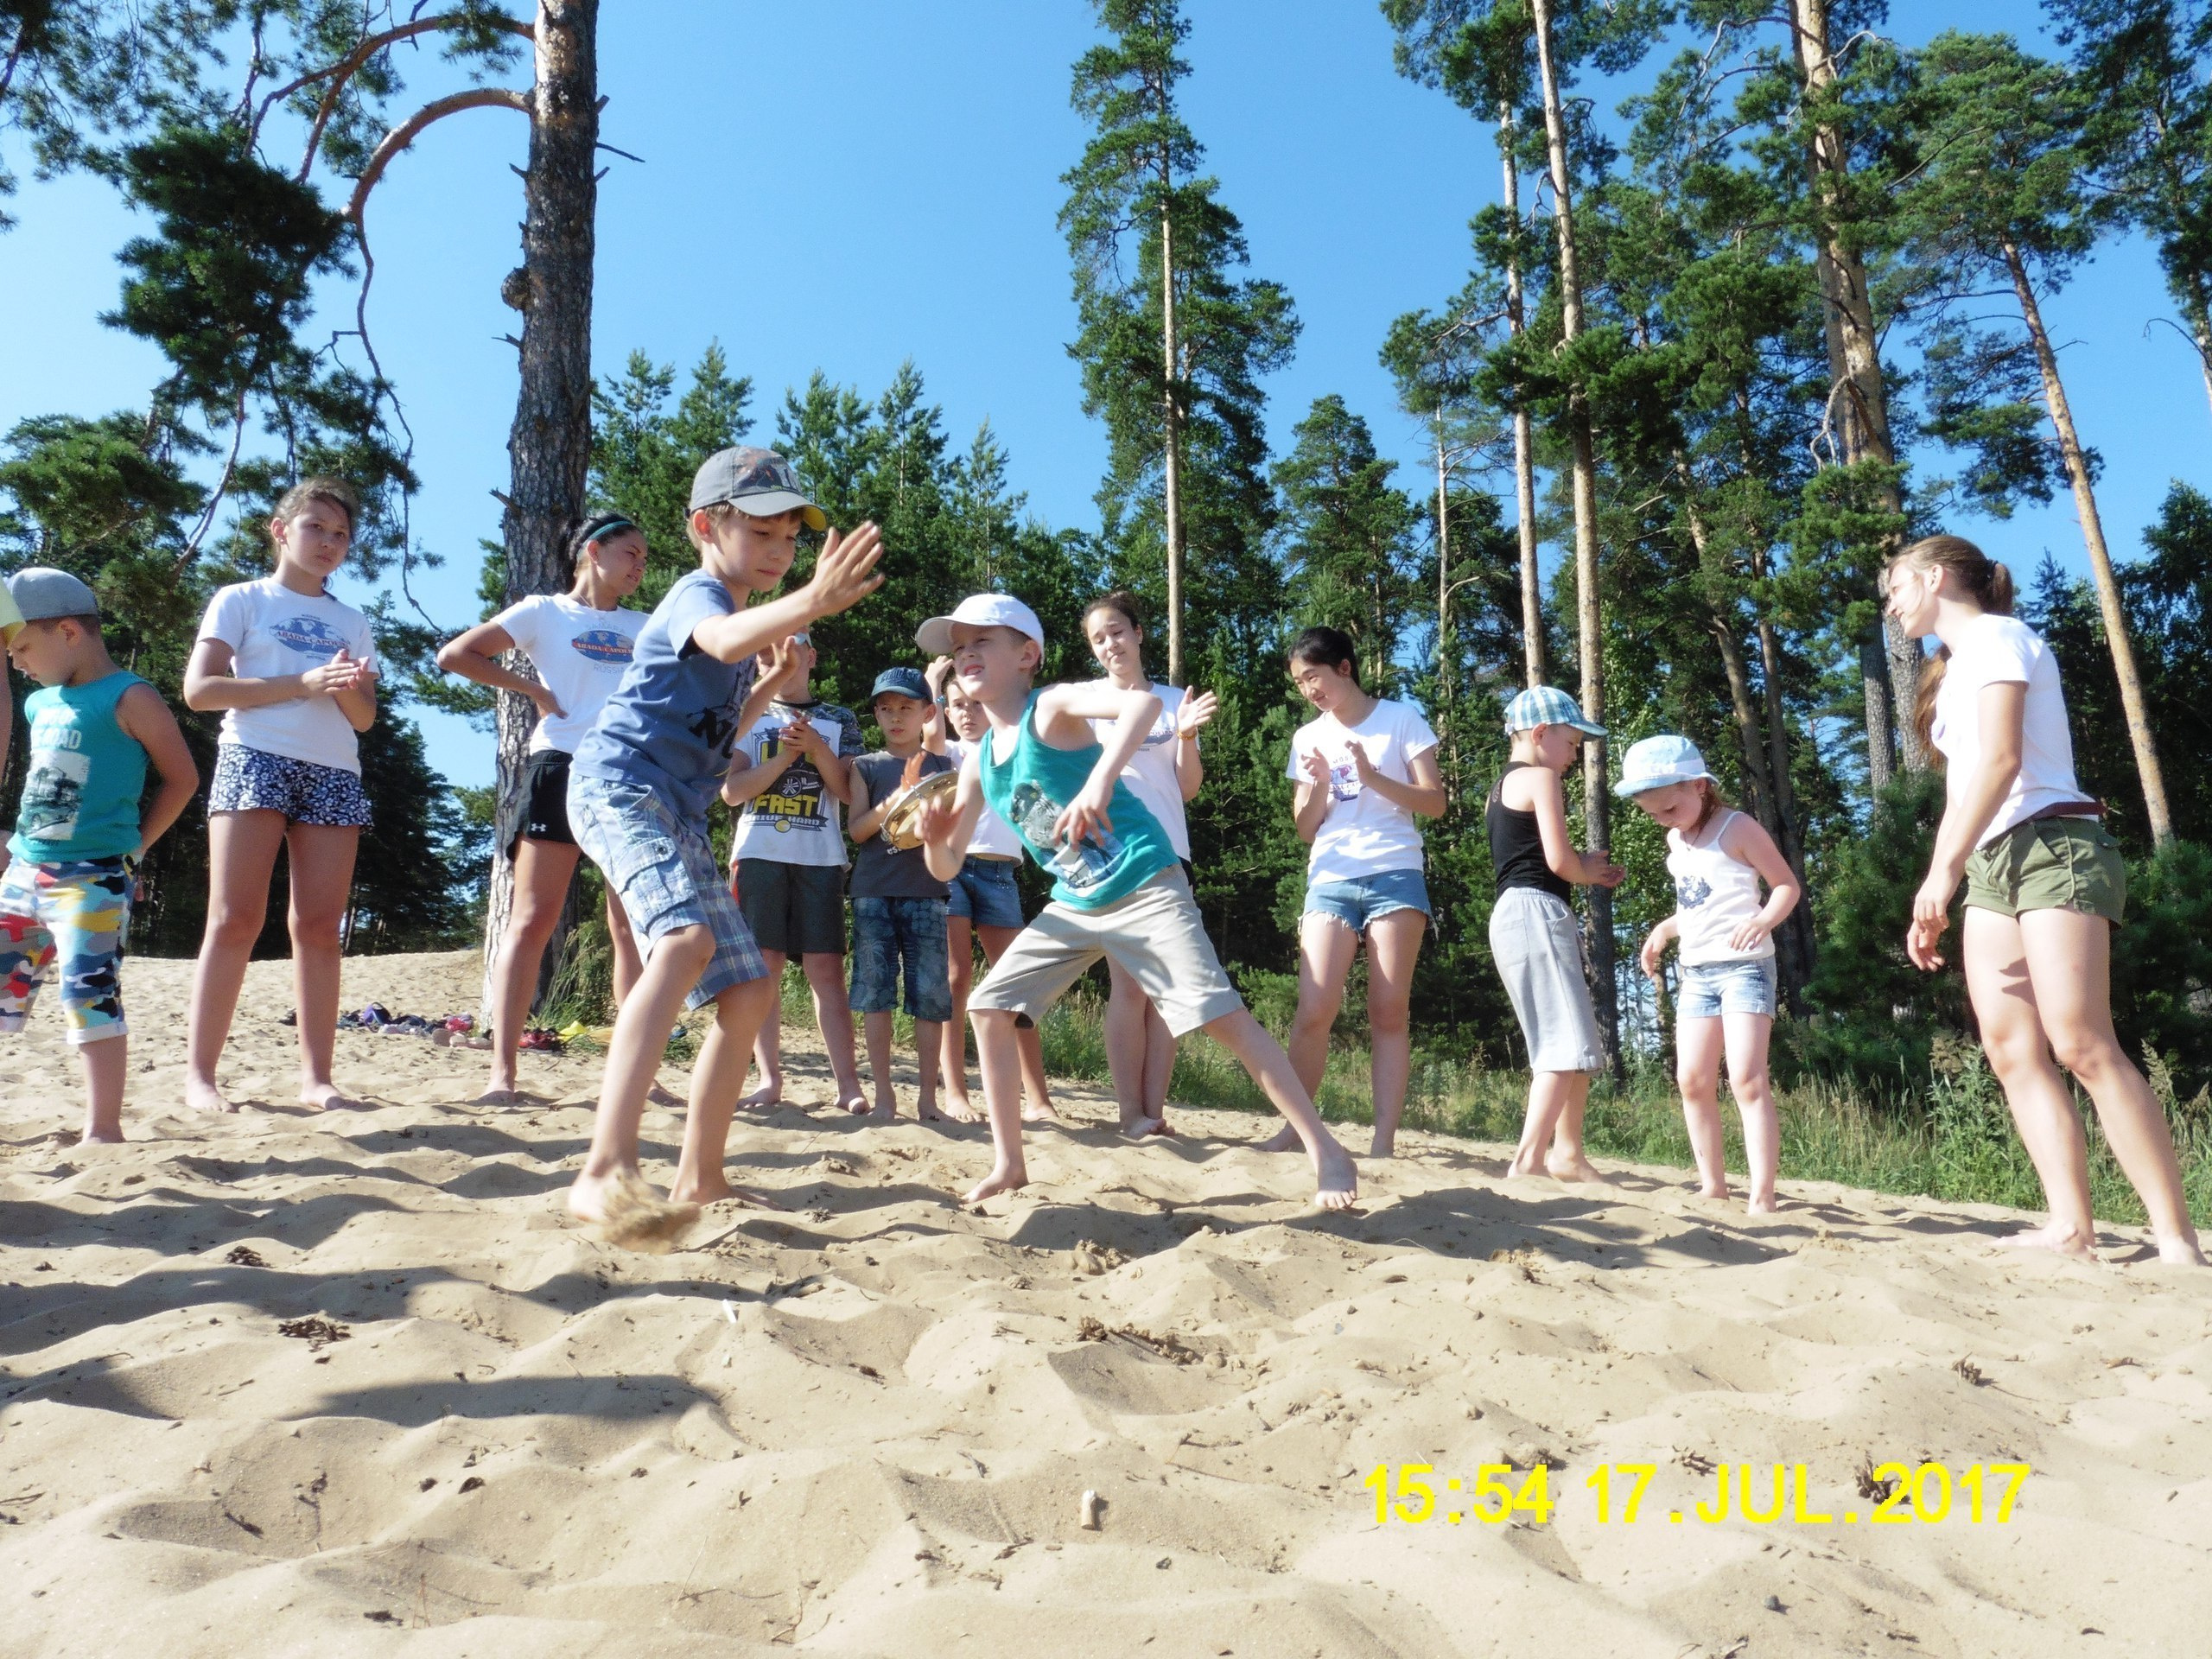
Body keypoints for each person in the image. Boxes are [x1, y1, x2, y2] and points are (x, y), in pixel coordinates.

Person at [909, 592, 1357, 1211]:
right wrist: (934, 843)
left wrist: (1098, 782)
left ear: (1027, 654)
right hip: (1077, 900)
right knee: (989, 1006)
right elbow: (948, 863)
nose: (965, 654)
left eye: (981, 640)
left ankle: (1326, 1151)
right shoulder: (981, 760)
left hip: (1144, 880)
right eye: (958, 647)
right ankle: (1010, 1164)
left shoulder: (1054, 705)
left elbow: (1145, 704)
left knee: (1218, 1016)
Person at [562, 447, 882, 1247]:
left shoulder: (740, 638)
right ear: (707, 526)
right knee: (684, 940)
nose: (781, 548)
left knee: (746, 992)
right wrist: (811, 599)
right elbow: (720, 636)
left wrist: (770, 691)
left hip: (677, 810)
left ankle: (702, 1172)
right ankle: (604, 1167)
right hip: (617, 787)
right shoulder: (695, 595)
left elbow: (720, 727)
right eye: (763, 530)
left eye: (791, 538)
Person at [1889, 533, 2203, 1265]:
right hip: (1992, 863)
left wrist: (1944, 873)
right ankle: (2071, 1226)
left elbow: (2003, 761)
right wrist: (1937, 883)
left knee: (2083, 1043)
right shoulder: (1952, 670)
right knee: (2009, 1048)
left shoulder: (2000, 638)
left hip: (2054, 842)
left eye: (1896, 588)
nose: (1891, 604)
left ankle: (2175, 1240)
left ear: (1934, 578)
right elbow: (1964, 788)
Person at [436, 512, 652, 1103]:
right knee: (531, 921)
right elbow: (456, 655)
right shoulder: (543, 612)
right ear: (592, 551)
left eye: (645, 559)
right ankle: (502, 1075)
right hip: (558, 767)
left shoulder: (647, 625)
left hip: (628, 777)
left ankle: (636, 1077)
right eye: (631, 552)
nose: (639, 566)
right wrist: (532, 690)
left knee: (630, 929)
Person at [183, 477, 381, 1114]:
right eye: (316, 528)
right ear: (280, 530)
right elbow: (202, 690)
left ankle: (318, 1079)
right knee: (234, 919)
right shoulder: (240, 599)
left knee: (319, 928)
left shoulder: (353, 620)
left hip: (332, 768)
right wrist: (302, 680)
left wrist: (344, 684)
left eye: (341, 535)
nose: (328, 542)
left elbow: (364, 718)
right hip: (254, 755)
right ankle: (201, 1077)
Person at [1, 569, 198, 1143]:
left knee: (88, 995)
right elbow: (60, 787)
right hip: (23, 872)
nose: (17, 664)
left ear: (67, 632)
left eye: (23, 649)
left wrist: (135, 848)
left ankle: (103, 1129)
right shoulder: (41, 704)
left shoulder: (129, 696)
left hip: (92, 880)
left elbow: (181, 778)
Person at [1260, 626, 1444, 1160]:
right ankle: (1296, 1129)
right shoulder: (1306, 737)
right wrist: (1318, 785)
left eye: (1313, 676)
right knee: (1315, 1008)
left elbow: (1435, 802)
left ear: (1344, 667)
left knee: (1389, 1009)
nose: (1307, 689)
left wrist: (1371, 775)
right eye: (1298, 682)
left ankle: (1383, 1140)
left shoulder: (1401, 719)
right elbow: (1306, 827)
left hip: (1395, 873)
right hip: (1332, 878)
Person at [1620, 735, 1801, 1215]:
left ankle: (1762, 1194)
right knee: (1693, 1080)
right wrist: (1664, 928)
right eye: (1652, 813)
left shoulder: (1737, 827)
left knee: (1746, 1076)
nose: (1663, 819)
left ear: (1699, 786)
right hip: (1696, 972)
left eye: (1670, 808)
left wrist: (1764, 920)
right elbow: (1698, 906)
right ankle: (1713, 1185)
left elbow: (1786, 885)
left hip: (1745, 968)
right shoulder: (1675, 840)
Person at [1082, 591, 1217, 1135]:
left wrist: (1186, 733)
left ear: (1138, 634)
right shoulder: (1086, 703)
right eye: (1098, 638)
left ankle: (1153, 1112)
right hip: (1112, 856)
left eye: (1117, 631)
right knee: (1129, 986)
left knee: (1167, 989)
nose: (1110, 644)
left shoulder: (1171, 701)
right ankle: (1128, 1111)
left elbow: (1187, 788)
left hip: (1171, 855)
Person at [720, 631, 868, 1113]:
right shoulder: (746, 710)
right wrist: (785, 756)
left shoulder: (838, 718)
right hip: (759, 854)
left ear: (811, 656)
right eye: (763, 651)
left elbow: (849, 794)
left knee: (827, 972)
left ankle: (847, 1085)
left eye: (788, 648)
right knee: (763, 970)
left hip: (821, 857)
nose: (775, 658)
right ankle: (769, 1080)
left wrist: (816, 749)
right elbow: (732, 791)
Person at [1487, 685, 1624, 1183]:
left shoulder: (1499, 786)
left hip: (1516, 913)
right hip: (1536, 911)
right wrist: (1590, 871)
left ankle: (1568, 1152)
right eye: (1572, 742)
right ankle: (1528, 1161)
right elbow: (1558, 862)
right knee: (1562, 1045)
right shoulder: (1540, 777)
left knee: (1576, 1038)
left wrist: (1577, 870)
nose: (1574, 755)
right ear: (1541, 733)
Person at [927, 656, 1057, 1124]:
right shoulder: (951, 753)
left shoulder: (1011, 747)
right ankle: (956, 1092)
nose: (966, 713)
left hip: (1001, 875)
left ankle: (1039, 1099)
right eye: (955, 705)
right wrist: (931, 685)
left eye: (973, 705)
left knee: (1016, 987)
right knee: (957, 977)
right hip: (955, 872)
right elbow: (932, 734)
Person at [843, 665, 955, 1119]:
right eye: (885, 708)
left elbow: (951, 835)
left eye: (906, 708)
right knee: (875, 995)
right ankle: (886, 1095)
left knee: (930, 998)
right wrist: (897, 800)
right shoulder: (864, 767)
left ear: (928, 712)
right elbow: (856, 831)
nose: (895, 717)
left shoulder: (944, 768)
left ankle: (928, 1097)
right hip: (872, 893)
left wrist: (933, 824)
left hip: (929, 892)